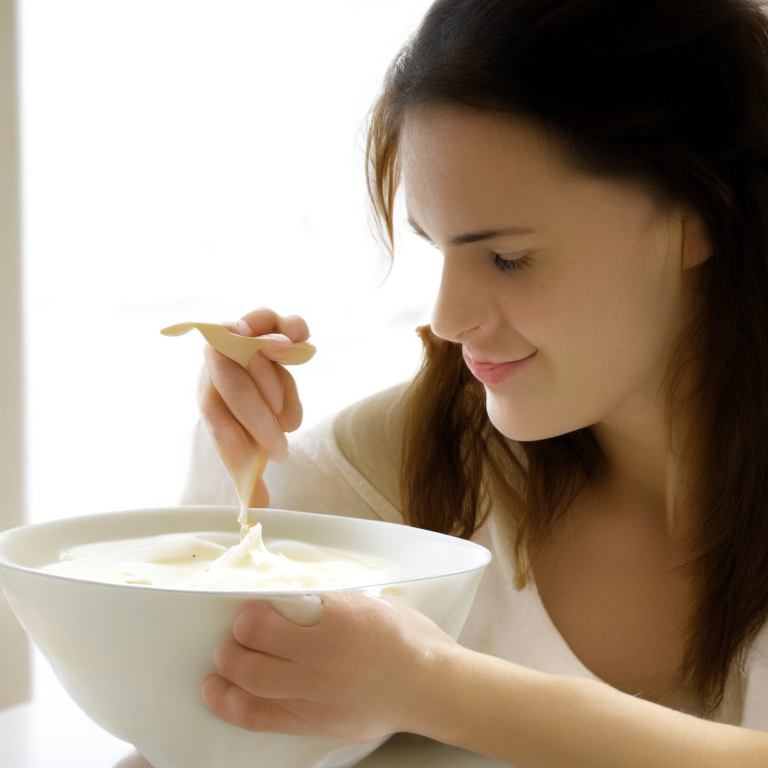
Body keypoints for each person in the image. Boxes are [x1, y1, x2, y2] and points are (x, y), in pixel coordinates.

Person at [183, 0, 768, 764]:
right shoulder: (401, 464)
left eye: (506, 258)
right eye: (437, 250)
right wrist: (238, 462)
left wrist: (433, 685)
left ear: (701, 217)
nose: (447, 318)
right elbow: (196, 725)